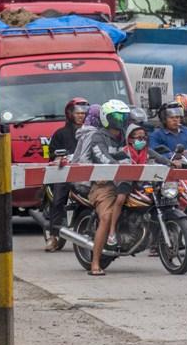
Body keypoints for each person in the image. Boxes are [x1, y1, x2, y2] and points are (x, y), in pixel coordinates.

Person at [75, 100, 132, 276]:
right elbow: (103, 158)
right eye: (116, 116)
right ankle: (95, 263)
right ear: (106, 118)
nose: (120, 120)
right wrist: (122, 166)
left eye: (123, 116)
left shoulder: (126, 136)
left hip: (127, 180)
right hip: (103, 184)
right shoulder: (97, 137)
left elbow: (145, 151)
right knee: (106, 218)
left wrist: (167, 162)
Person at [45, 97, 89, 252]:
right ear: (70, 114)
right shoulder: (60, 134)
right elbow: (52, 155)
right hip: (65, 174)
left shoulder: (92, 133)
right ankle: (54, 236)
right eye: (78, 113)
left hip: (88, 174)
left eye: (84, 113)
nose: (81, 116)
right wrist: (62, 158)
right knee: (58, 201)